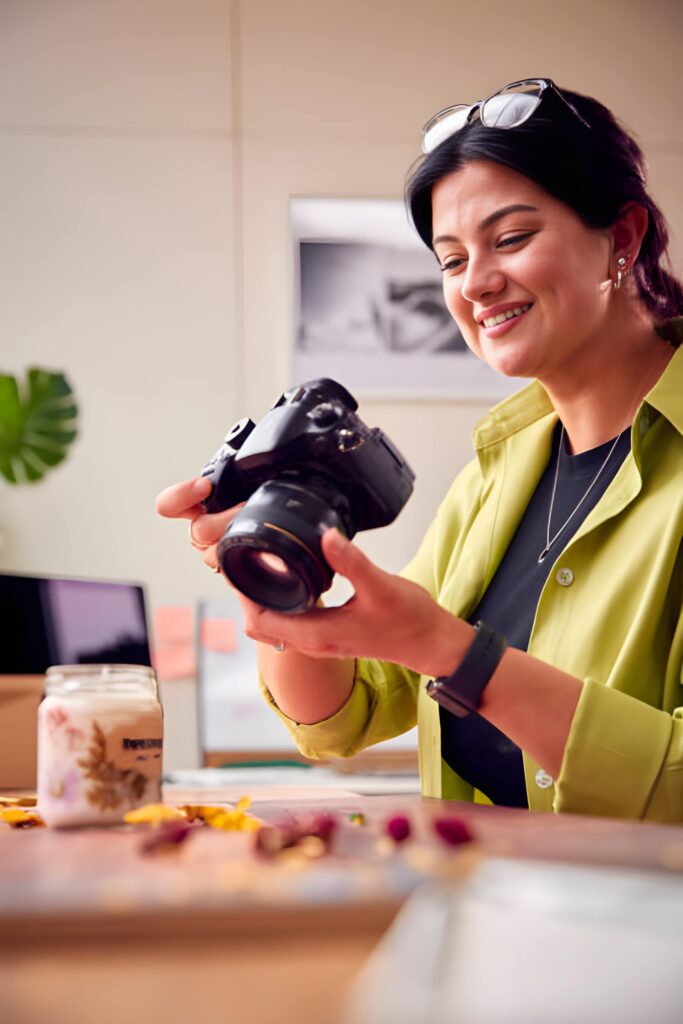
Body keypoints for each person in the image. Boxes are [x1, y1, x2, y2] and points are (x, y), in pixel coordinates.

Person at [157, 78, 683, 822]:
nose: (476, 283)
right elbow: (344, 718)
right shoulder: (497, 475)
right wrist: (275, 565)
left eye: (510, 239)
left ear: (622, 239)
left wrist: (456, 655)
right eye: (450, 260)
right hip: (488, 905)